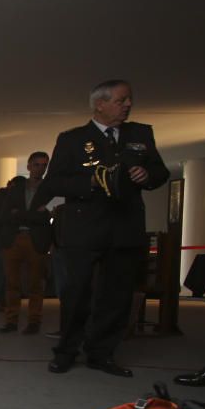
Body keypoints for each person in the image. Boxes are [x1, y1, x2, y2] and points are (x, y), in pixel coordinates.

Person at [43, 80, 168, 377]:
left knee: (117, 294)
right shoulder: (72, 139)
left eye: (129, 100)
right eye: (121, 100)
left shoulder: (141, 134)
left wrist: (146, 174)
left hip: (125, 227)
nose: (127, 105)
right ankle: (67, 351)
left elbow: (160, 172)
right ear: (100, 104)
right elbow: (55, 182)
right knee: (77, 293)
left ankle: (102, 353)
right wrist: (92, 182)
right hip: (84, 228)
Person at [0, 152, 52, 334]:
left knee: (35, 284)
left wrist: (19, 215)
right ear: (29, 166)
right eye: (37, 164)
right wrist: (35, 215)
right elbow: (5, 215)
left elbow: (48, 217)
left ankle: (34, 322)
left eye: (44, 165)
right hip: (14, 239)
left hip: (37, 240)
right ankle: (11, 321)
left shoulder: (49, 190)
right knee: (12, 283)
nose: (40, 168)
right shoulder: (15, 189)